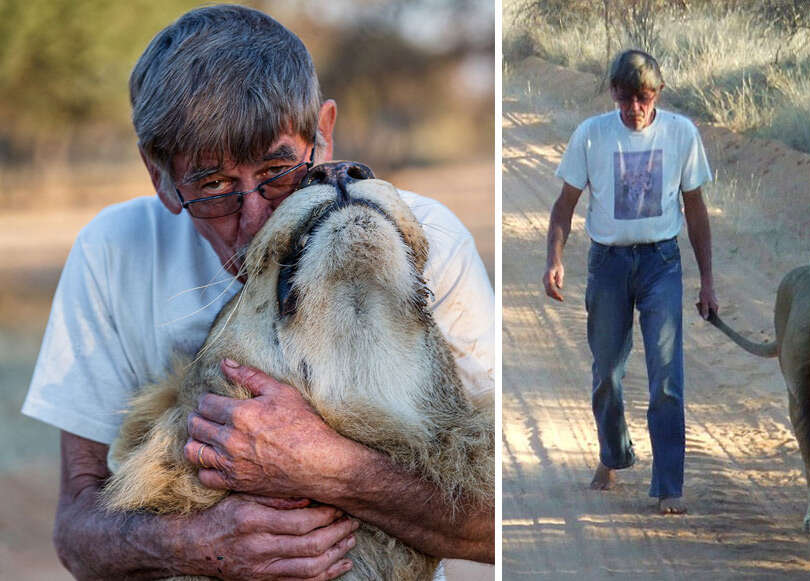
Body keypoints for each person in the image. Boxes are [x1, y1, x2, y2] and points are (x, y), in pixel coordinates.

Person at [21, 5, 494, 580]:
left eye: (279, 171)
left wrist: (328, 468)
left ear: (323, 131)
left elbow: (501, 527)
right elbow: (75, 534)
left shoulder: (420, 238)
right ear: (159, 175)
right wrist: (192, 543)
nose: (255, 219)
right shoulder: (114, 249)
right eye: (215, 186)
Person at [542, 49, 717, 514]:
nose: (634, 109)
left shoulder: (681, 133)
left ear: (657, 94)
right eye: (625, 99)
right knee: (607, 375)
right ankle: (613, 455)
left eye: (642, 98)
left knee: (666, 379)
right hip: (609, 264)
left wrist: (707, 282)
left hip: (662, 261)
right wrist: (554, 258)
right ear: (613, 95)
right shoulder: (592, 135)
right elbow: (564, 206)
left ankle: (668, 486)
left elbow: (696, 210)